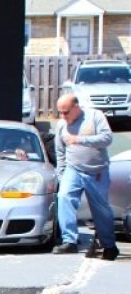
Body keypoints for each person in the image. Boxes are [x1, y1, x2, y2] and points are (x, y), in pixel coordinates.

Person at [52, 94, 119, 260]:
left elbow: (107, 138)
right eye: (60, 112)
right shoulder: (61, 125)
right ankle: (69, 241)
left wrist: (80, 140)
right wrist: (61, 174)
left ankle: (108, 244)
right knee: (64, 196)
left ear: (76, 107)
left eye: (66, 112)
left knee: (101, 209)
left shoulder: (94, 116)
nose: (63, 116)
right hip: (73, 169)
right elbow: (60, 151)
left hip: (96, 171)